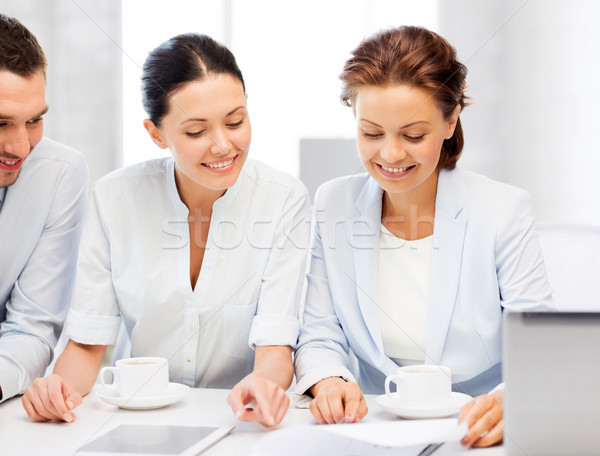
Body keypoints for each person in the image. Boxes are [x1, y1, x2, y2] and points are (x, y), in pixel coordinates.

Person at [22, 33, 310, 427]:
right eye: (196, 132)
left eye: (236, 121)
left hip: (239, 421)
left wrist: (260, 385)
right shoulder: (115, 198)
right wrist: (56, 391)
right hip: (138, 420)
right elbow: (88, 344)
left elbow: (276, 347)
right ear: (156, 134)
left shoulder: (283, 199)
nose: (224, 145)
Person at [293, 26, 553, 448]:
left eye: (413, 135)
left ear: (450, 121)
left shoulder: (503, 210)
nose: (391, 154)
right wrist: (329, 380)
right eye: (371, 133)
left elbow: (539, 341)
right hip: (374, 426)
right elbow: (321, 332)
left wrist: (513, 400)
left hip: (476, 427)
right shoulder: (333, 202)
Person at [0, 14, 88, 403]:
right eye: (0, 123)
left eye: (34, 120)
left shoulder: (59, 174)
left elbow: (31, 327)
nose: (21, 148)